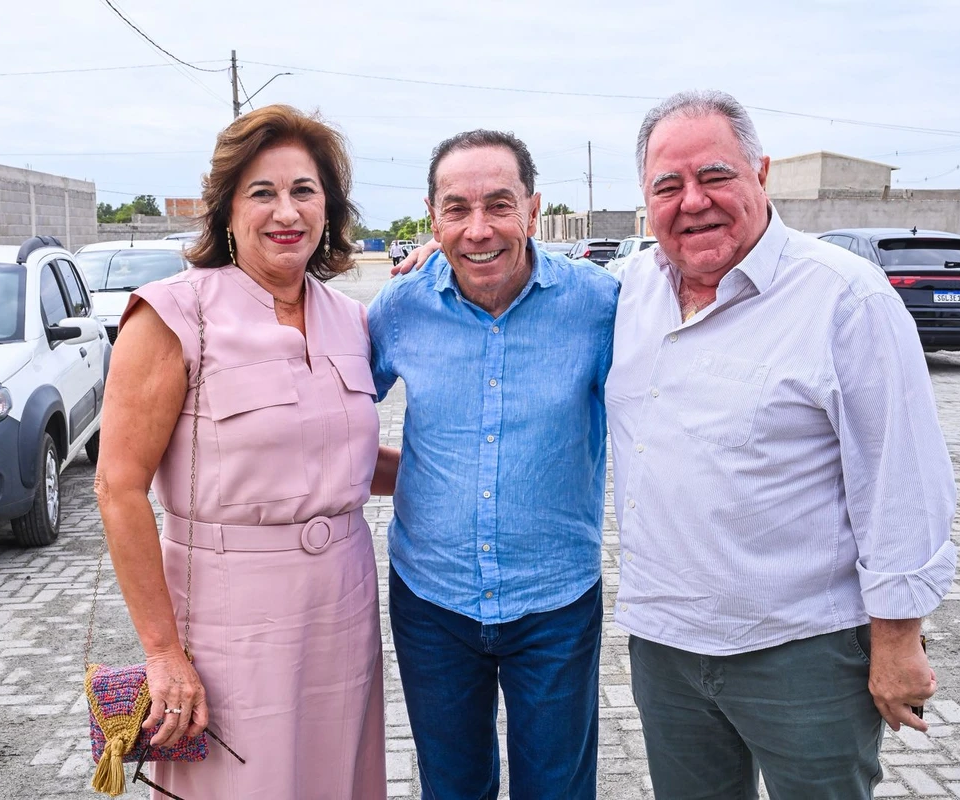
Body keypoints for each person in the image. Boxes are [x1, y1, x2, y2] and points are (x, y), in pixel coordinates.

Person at [606, 90, 957, 799]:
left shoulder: (845, 298)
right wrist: (443, 258)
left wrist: (898, 639)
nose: (692, 201)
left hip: (804, 654)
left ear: (760, 173)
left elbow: (902, 481)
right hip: (666, 647)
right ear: (646, 200)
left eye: (715, 176)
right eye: (667, 186)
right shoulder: (629, 289)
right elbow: (524, 281)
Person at [94, 104, 397, 799]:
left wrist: (454, 480)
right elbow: (117, 487)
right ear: (227, 211)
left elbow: (340, 459)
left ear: (329, 208)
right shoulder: (174, 313)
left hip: (343, 607)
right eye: (262, 192)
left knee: (336, 780)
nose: (285, 211)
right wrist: (164, 653)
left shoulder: (349, 318)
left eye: (304, 190)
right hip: (229, 618)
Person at [368, 129, 618, 799]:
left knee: (558, 792)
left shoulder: (600, 306)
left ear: (533, 210)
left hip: (555, 606)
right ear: (433, 217)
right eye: (457, 209)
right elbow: (325, 414)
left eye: (499, 205)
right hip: (431, 602)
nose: (479, 229)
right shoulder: (400, 307)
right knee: (453, 789)